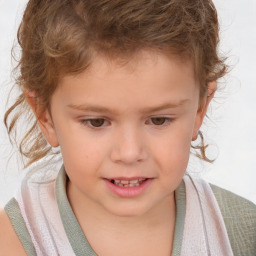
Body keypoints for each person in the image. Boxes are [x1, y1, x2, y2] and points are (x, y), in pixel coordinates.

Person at [0, 0, 255, 255]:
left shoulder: (242, 234)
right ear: (45, 116)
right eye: (97, 122)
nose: (130, 152)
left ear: (200, 109)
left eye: (158, 120)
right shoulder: (12, 243)